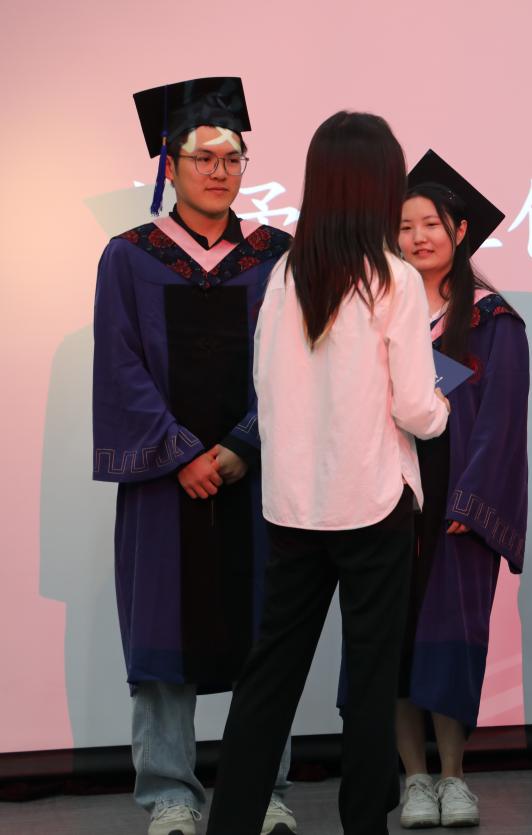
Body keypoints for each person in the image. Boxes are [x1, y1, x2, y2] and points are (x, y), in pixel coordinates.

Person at [204, 111, 450, 835]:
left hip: (293, 507)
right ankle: (362, 825)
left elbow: (265, 388)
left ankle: (231, 822)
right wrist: (443, 409)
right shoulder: (395, 279)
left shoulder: (286, 275)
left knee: (269, 676)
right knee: (371, 678)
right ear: (379, 187)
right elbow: (416, 408)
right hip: (373, 502)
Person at [92, 76, 297, 835]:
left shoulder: (277, 256)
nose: (219, 170)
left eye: (232, 157)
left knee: (264, 634)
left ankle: (261, 788)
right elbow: (119, 365)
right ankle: (169, 791)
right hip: (163, 481)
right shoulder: (129, 257)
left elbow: (297, 365)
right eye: (203, 156)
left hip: (258, 476)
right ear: (169, 166)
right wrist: (181, 452)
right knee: (161, 632)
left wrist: (243, 444)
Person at [392, 150, 529, 830]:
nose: (419, 237)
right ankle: (413, 778)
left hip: (454, 504)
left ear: (461, 231)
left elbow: (502, 421)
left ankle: (452, 775)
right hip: (386, 500)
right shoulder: (377, 312)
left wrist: (470, 501)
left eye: (432, 225)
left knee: (451, 637)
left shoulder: (492, 319)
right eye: (405, 226)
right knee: (390, 640)